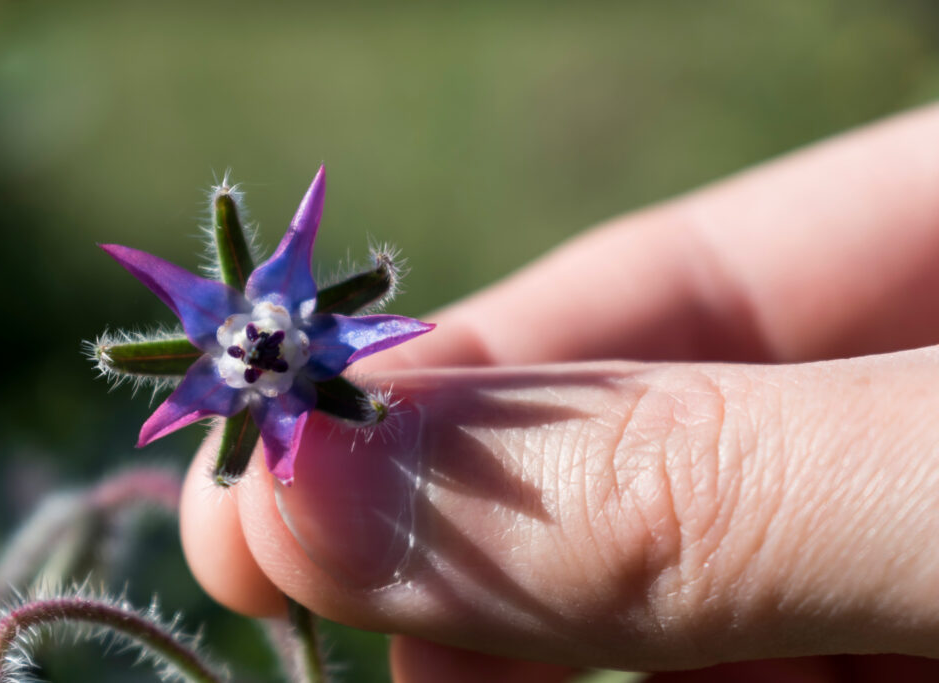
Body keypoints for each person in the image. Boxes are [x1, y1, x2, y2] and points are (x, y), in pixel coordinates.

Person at [180, 104, 939, 682]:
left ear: (277, 315)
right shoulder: (258, 395)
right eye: (252, 350)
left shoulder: (316, 344)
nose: (260, 348)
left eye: (263, 340)